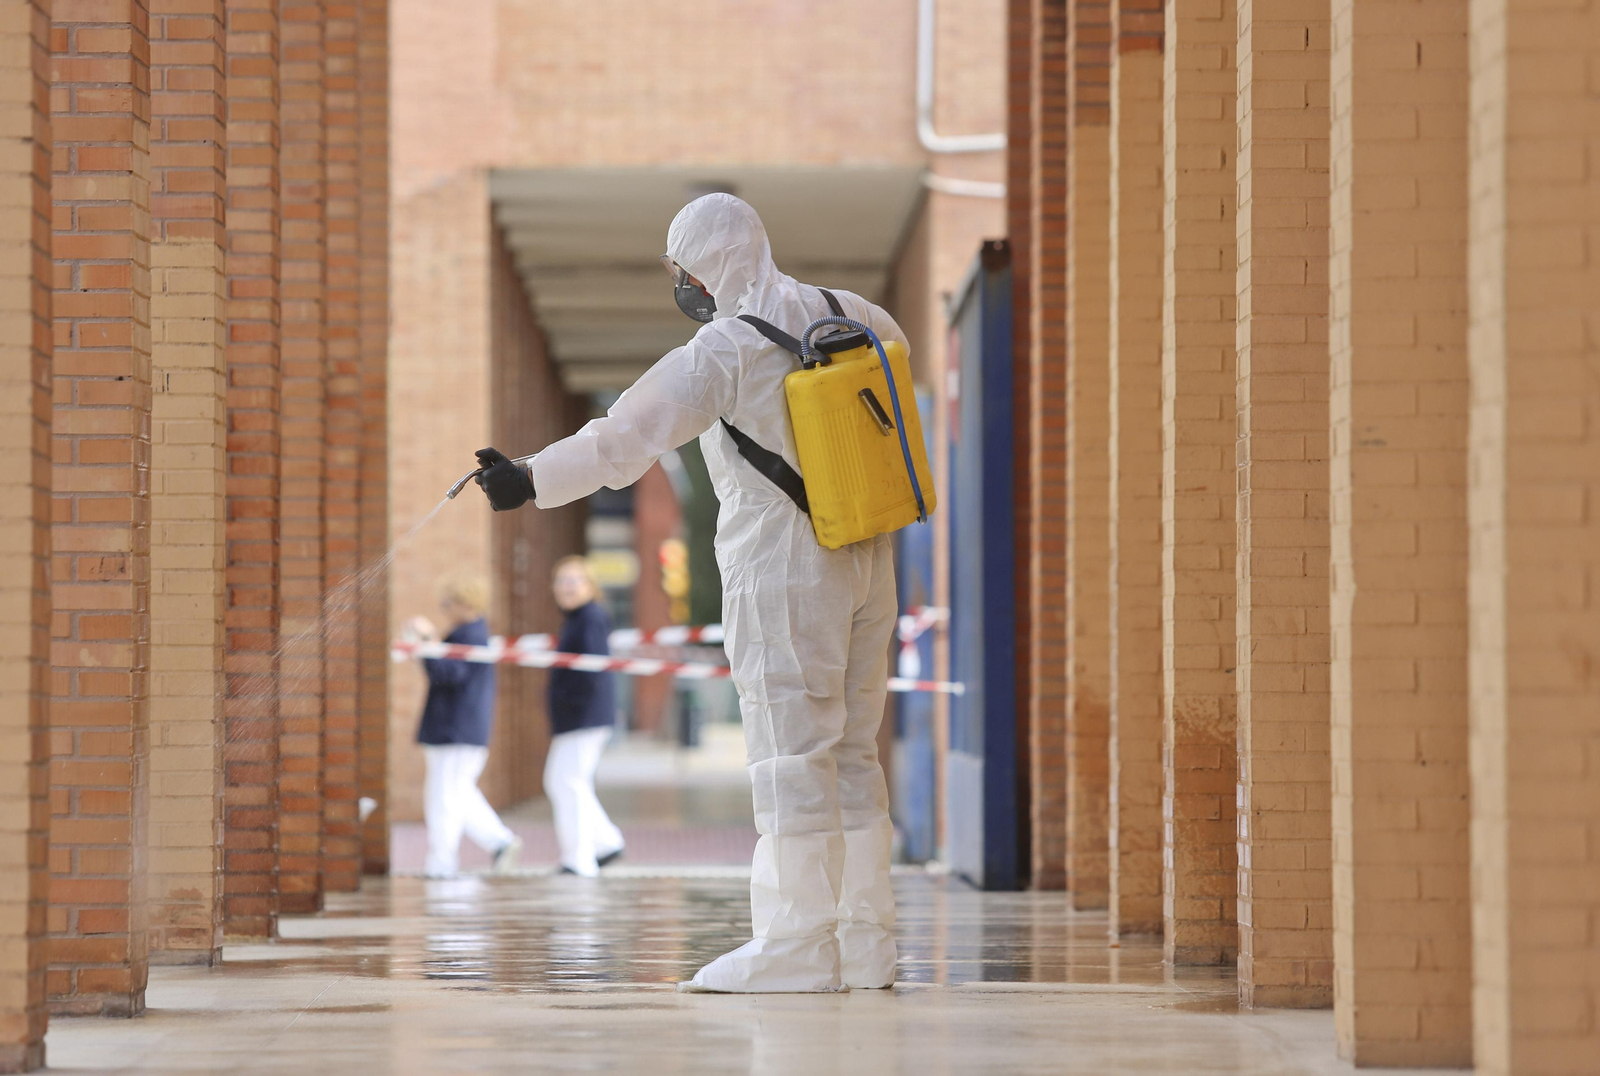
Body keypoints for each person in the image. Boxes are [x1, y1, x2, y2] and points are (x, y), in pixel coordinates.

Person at [472, 193, 901, 993]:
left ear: (705, 265)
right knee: (851, 752)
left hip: (783, 568)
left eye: (681, 271)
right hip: (870, 554)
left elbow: (624, 438)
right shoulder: (858, 314)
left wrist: (529, 478)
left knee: (789, 754)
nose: (682, 287)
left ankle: (797, 947)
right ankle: (865, 942)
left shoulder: (725, 350)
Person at [411, 571, 522, 879]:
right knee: (456, 794)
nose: (444, 608)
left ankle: (443, 862)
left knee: (445, 798)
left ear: (466, 604)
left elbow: (449, 675)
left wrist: (428, 641)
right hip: (457, 730)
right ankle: (499, 841)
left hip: (455, 731)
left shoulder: (470, 636)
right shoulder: (469, 634)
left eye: (449, 603)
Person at [545, 555, 626, 877]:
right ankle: (605, 842)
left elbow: (592, 670)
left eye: (573, 580)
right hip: (578, 718)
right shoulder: (578, 618)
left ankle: (580, 858)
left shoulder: (589, 617)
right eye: (561, 580)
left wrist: (568, 700)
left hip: (584, 717)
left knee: (568, 782)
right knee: (563, 781)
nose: (566, 587)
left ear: (590, 586)